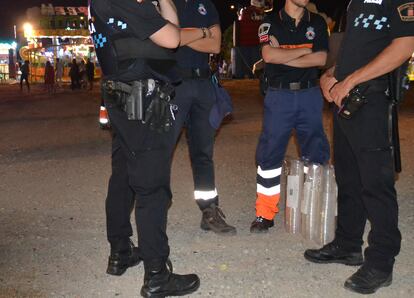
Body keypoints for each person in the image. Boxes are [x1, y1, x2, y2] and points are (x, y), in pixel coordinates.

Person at [88, 0, 200, 297]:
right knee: (152, 184)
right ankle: (156, 275)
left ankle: (121, 251)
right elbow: (172, 38)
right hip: (142, 97)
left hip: (122, 94)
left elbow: (170, 26)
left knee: (124, 174)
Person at [304, 0, 414, 294]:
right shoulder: (355, 2)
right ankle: (348, 244)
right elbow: (359, 49)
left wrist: (350, 81)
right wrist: (332, 74)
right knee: (348, 177)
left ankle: (381, 261)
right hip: (347, 99)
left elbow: (403, 46)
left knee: (376, 183)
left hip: (373, 100)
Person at [250, 0, 330, 233]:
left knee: (315, 152)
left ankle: (312, 208)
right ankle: (265, 213)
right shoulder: (269, 22)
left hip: (310, 94)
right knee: (269, 156)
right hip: (279, 96)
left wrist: (284, 53)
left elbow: (321, 59)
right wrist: (305, 49)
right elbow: (269, 56)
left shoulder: (317, 22)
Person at [173, 0, 236, 235]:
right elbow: (169, 40)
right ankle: (153, 214)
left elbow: (216, 44)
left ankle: (209, 210)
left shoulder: (206, 5)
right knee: (161, 151)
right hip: (172, 86)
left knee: (203, 153)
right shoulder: (165, 3)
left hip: (202, 86)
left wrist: (182, 36)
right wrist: (202, 32)